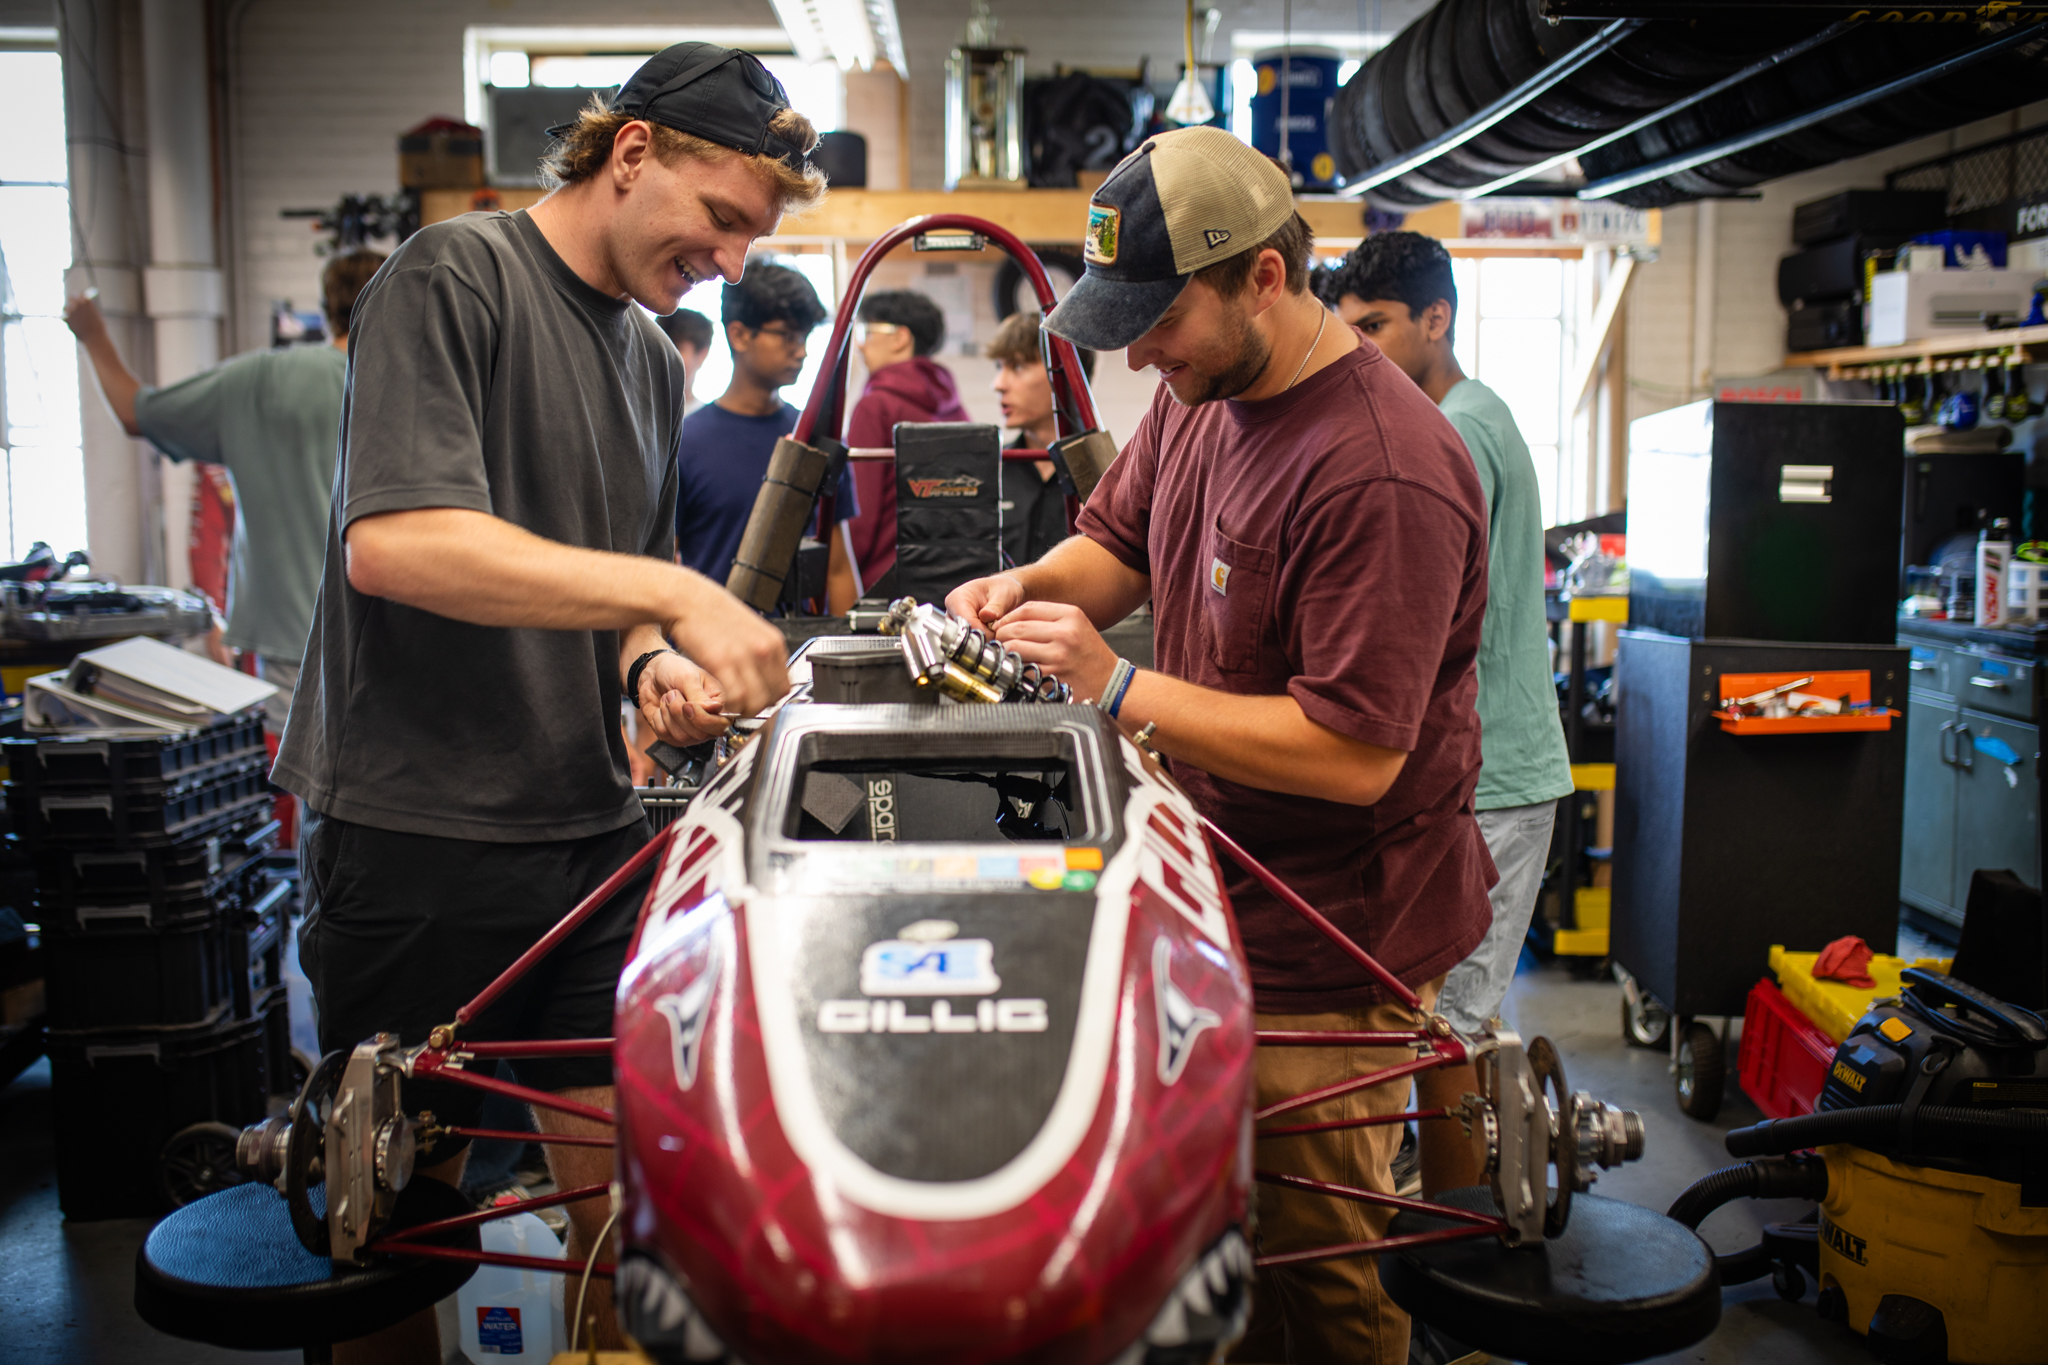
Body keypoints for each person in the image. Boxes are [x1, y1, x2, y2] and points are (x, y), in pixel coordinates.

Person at [271, 43, 818, 1362]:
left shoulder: (645, 356)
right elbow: (397, 544)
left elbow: (617, 594)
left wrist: (650, 660)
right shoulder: (452, 278)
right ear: (632, 151)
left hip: (585, 834)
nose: (735, 263)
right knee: (396, 1230)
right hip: (419, 844)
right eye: (725, 219)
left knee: (624, 1203)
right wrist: (672, 596)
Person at [945, 127, 1493, 1365]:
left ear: (1262, 275)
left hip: (1329, 932)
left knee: (1320, 1271)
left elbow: (1355, 753)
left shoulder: (1380, 470)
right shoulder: (1204, 395)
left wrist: (1119, 683)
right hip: (1211, 895)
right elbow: (1115, 548)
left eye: (1158, 320)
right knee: (1212, 1245)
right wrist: (1024, 586)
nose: (1138, 355)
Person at [1325, 233, 1573, 1197]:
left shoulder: (1455, 429)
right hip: (1478, 772)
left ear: (1440, 318)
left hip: (1498, 777)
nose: (1365, 352)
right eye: (1351, 331)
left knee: (1451, 1032)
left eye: (1380, 326)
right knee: (1437, 1022)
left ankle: (1453, 1264)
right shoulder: (1462, 415)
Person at [63, 250, 387, 733]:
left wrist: (93, 334)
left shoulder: (260, 380)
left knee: (313, 792)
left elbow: (136, 412)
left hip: (293, 646)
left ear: (325, 309)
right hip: (394, 646)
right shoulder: (410, 388)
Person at [673, 261, 862, 613]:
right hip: (712, 656)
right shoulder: (685, 444)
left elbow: (837, 569)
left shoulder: (816, 442)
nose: (802, 351)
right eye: (788, 336)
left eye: (806, 336)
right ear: (740, 335)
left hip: (802, 654)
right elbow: (667, 565)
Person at [841, 288, 971, 590]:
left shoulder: (876, 407)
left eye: (868, 331)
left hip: (886, 590)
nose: (860, 344)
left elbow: (860, 516)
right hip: (952, 583)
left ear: (900, 338)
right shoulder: (954, 405)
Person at [986, 310, 1095, 570]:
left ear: (1065, 373)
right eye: (1000, 368)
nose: (998, 384)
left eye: (1018, 366)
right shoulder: (991, 472)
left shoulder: (1110, 478)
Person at [655, 305, 714, 414]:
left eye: (676, 348)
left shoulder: (706, 420)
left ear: (702, 355)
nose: (665, 357)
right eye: (659, 347)